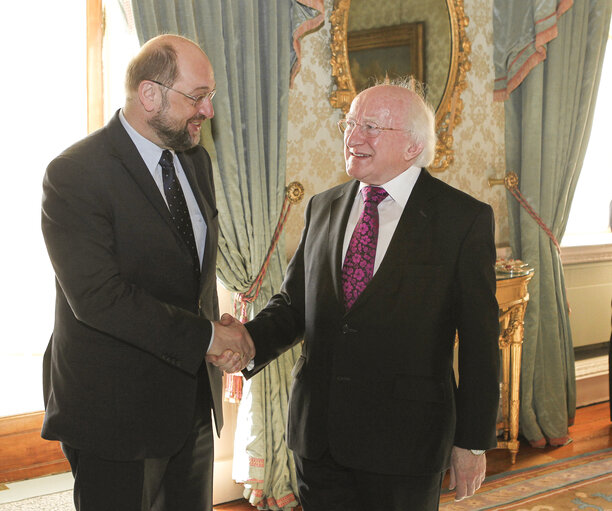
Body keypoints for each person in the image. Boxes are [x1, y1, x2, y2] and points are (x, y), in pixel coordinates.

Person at [210, 80, 500, 510]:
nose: (353, 136)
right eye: (350, 123)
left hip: (404, 445)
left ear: (412, 146)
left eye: (370, 126)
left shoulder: (462, 219)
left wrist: (472, 443)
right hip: (319, 436)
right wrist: (248, 340)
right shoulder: (323, 206)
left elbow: (479, 341)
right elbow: (294, 306)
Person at [41, 34, 253, 511]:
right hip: (114, 411)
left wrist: (214, 333)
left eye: (210, 97)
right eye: (197, 97)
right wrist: (206, 338)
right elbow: (99, 299)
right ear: (149, 94)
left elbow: (185, 276)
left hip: (191, 405)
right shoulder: (75, 173)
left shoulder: (196, 161)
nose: (208, 111)